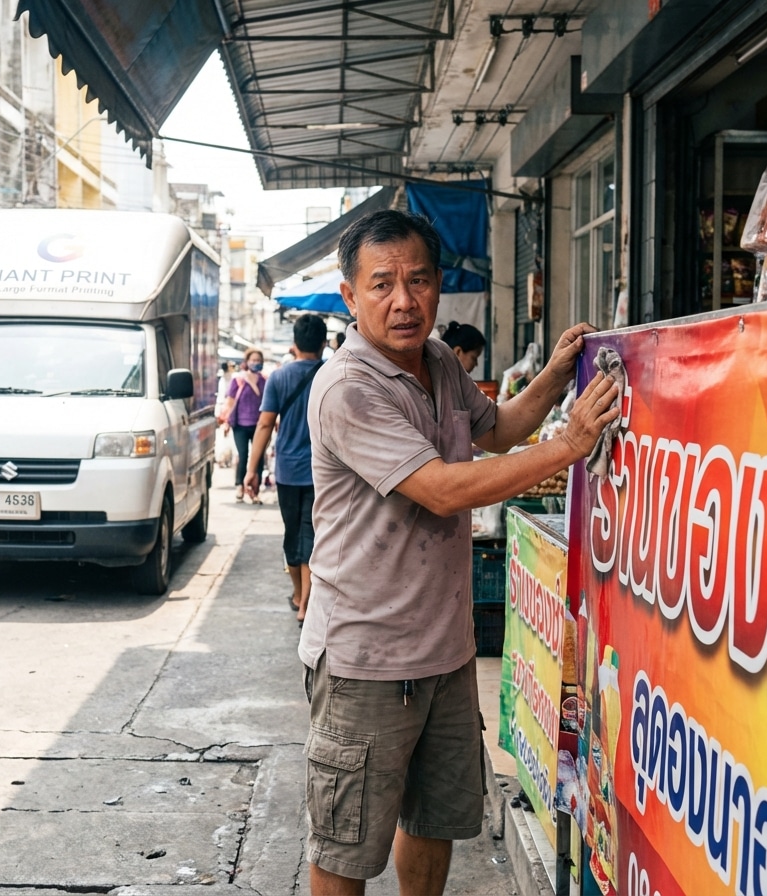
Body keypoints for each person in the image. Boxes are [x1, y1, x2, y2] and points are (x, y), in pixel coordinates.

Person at [299, 210, 620, 894]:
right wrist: (567, 447)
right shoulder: (348, 389)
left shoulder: (441, 361)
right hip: (368, 658)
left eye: (418, 280)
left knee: (435, 820)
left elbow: (499, 431)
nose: (403, 300)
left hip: (445, 652)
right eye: (381, 284)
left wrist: (559, 377)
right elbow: (442, 490)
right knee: (346, 845)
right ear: (350, 297)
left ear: (440, 285)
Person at [244, 314, 327, 622]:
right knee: (312, 535)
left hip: (289, 471)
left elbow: (265, 424)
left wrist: (251, 470)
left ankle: (299, 597)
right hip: (324, 472)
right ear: (323, 343)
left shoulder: (278, 377)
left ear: (294, 345)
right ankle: (306, 602)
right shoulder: (330, 374)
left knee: (293, 534)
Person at [218, 348, 266, 503]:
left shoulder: (265, 380)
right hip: (240, 425)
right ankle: (239, 485)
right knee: (243, 455)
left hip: (259, 425)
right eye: (253, 360)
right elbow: (230, 401)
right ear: (247, 362)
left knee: (258, 457)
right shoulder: (238, 379)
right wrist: (226, 421)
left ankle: (255, 490)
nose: (255, 363)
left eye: (258, 360)